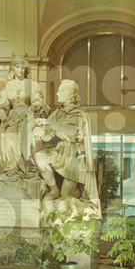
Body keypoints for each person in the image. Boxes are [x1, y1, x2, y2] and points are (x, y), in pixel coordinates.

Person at [33, 79, 101, 216]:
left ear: (70, 94)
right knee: (39, 156)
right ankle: (53, 189)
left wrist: (49, 124)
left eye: (61, 90)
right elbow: (49, 135)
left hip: (72, 158)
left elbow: (71, 132)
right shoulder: (57, 113)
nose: (57, 93)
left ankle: (76, 216)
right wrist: (41, 132)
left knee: (66, 196)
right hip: (57, 153)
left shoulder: (78, 114)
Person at [0, 56, 49, 178]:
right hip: (12, 117)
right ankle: (11, 168)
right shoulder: (7, 86)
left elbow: (37, 101)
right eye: (17, 67)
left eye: (23, 68)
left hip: (27, 115)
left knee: (27, 136)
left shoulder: (32, 85)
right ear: (12, 69)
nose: (21, 70)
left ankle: (27, 167)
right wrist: (3, 116)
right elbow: (3, 104)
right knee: (8, 135)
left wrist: (32, 108)